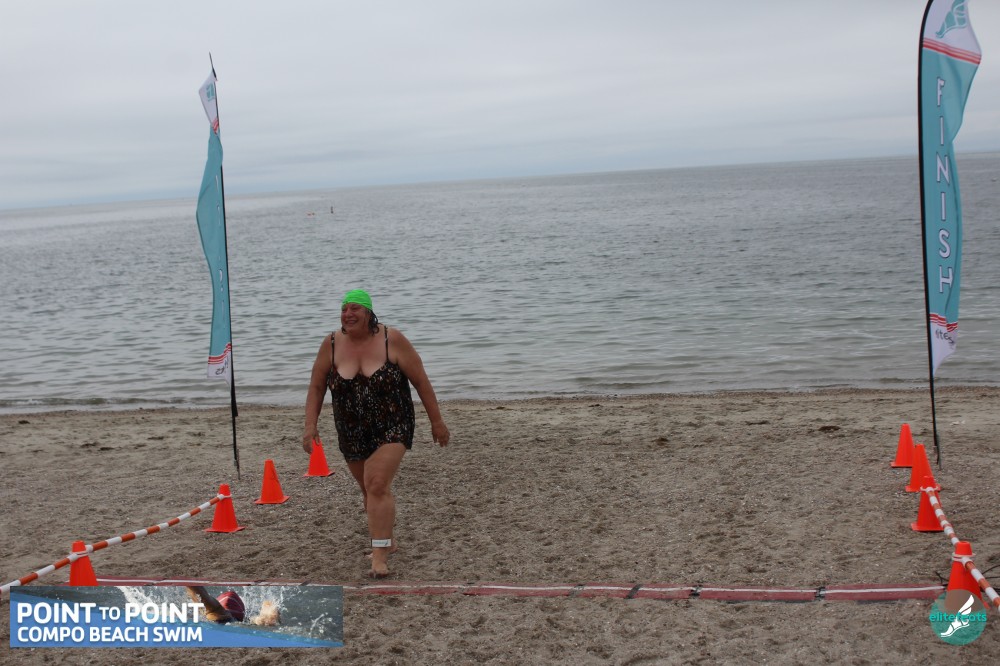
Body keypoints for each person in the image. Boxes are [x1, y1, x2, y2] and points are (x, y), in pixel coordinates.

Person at [303, 289, 450, 578]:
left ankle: (379, 555)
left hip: (393, 424)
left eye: (355, 309)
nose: (348, 314)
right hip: (351, 430)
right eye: (344, 309)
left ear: (369, 313)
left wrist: (437, 422)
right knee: (368, 490)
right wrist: (310, 426)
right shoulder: (331, 344)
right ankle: (388, 540)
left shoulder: (391, 339)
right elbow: (317, 386)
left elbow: (421, 381)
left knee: (377, 483)